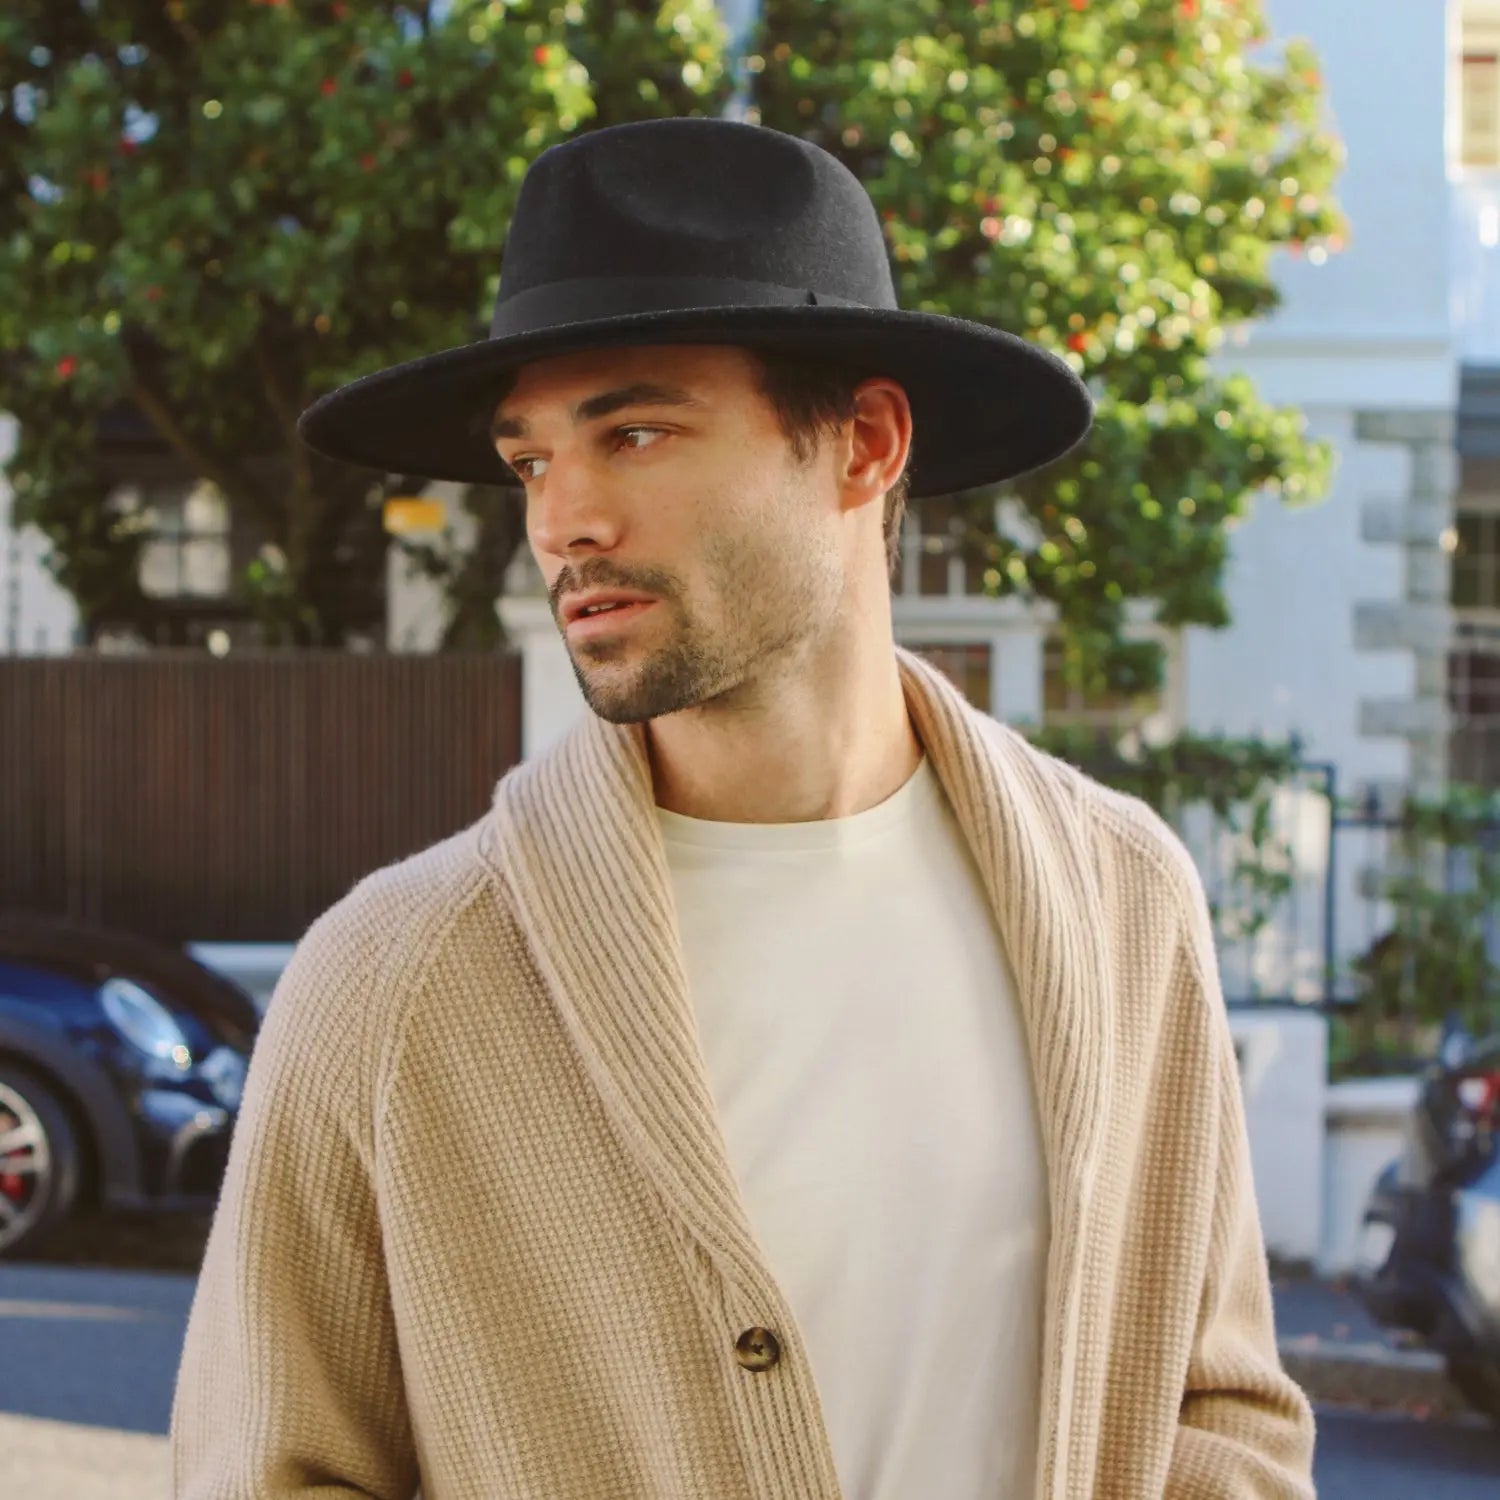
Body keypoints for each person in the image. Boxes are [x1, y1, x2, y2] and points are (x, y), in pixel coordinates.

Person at [170, 117, 1317, 1499]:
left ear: (865, 444)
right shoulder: (394, 980)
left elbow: (1219, 1407)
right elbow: (267, 1474)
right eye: (531, 460)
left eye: (636, 433)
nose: (562, 520)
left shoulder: (1123, 899)